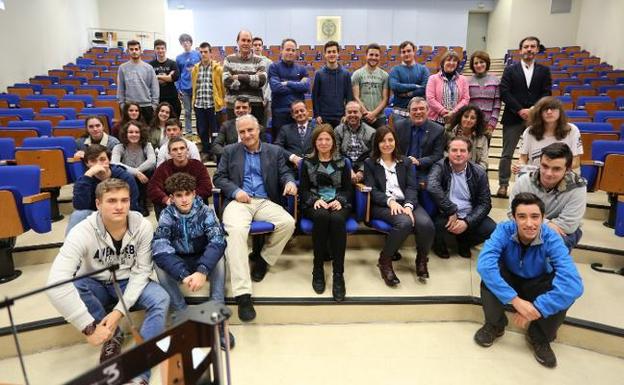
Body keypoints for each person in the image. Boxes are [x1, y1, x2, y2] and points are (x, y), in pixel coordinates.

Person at [47, 179, 169, 385]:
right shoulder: (81, 231)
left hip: (128, 281)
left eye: (124, 200)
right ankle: (112, 335)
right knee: (77, 284)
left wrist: (119, 311)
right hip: (96, 283)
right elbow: (56, 283)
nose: (119, 206)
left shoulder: (143, 227)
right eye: (112, 201)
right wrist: (88, 327)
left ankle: (140, 373)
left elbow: (141, 272)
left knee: (161, 299)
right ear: (98, 204)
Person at [475, 192, 583, 368]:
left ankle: (540, 336)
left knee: (563, 290)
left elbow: (573, 285)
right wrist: (515, 301)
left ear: (543, 218)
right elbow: (485, 265)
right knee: (490, 276)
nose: (529, 223)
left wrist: (540, 306)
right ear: (514, 218)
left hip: (537, 284)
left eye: (535, 217)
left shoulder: (552, 237)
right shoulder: (504, 229)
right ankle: (495, 324)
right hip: (510, 278)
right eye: (522, 217)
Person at [213, 114, 297, 322]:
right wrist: (234, 191)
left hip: (264, 201)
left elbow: (285, 172)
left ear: (259, 129)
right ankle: (243, 295)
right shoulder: (230, 151)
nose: (246, 135)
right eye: (242, 132)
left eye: (250, 130)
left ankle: (263, 259)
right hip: (239, 201)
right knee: (236, 232)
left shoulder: (274, 151)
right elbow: (219, 177)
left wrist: (290, 182)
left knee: (288, 223)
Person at [152, 172, 235, 347]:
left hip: (201, 258)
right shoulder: (166, 215)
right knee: (158, 263)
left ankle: (217, 315)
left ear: (194, 194)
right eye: (179, 195)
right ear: (172, 198)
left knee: (219, 258)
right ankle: (180, 314)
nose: (184, 199)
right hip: (179, 260)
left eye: (187, 194)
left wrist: (202, 270)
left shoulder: (206, 211)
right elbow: (160, 247)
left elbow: (217, 241)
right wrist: (183, 274)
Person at [364, 126, 435, 283]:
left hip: (407, 202)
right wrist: (390, 201)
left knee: (426, 224)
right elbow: (372, 190)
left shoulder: (406, 162)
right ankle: (385, 261)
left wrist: (409, 205)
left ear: (395, 141)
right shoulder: (370, 163)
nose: (387, 144)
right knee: (404, 222)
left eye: (390, 140)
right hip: (382, 205)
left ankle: (422, 259)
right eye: (382, 141)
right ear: (377, 143)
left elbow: (411, 187)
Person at [300, 125, 352, 301]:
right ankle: (318, 268)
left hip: (338, 202)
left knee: (337, 220)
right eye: (319, 139)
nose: (323, 142)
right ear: (315, 142)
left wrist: (340, 200)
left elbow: (347, 190)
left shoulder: (343, 162)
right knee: (322, 216)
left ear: (333, 142)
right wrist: (315, 200)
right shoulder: (307, 162)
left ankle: (338, 274)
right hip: (314, 203)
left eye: (327, 139)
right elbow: (304, 190)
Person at [497, 36, 552, 197]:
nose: (529, 49)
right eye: (526, 46)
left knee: (536, 153)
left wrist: (534, 110)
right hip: (513, 117)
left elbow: (546, 93)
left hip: (535, 119)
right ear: (520, 50)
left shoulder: (544, 70)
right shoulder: (510, 70)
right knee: (507, 153)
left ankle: (534, 184)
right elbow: (505, 92)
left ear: (537, 49)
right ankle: (503, 184)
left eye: (532, 46)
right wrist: (520, 110)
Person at [427, 136, 496, 259]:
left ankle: (464, 241)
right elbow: (432, 186)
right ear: (448, 153)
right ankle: (438, 245)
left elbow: (485, 203)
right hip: (446, 212)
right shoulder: (440, 166)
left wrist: (467, 222)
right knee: (436, 225)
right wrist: (451, 209)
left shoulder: (479, 172)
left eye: (463, 151)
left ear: (469, 154)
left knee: (492, 229)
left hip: (469, 212)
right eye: (454, 150)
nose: (458, 154)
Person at [509, 142, 586, 251]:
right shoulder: (523, 181)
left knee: (552, 246)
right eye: (544, 166)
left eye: (556, 169)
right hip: (528, 225)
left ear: (567, 170)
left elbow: (568, 225)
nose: (548, 173)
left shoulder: (578, 187)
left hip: (560, 231)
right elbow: (511, 213)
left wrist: (538, 226)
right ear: (539, 163)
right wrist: (547, 223)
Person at [67, 144, 140, 235]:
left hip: (120, 213)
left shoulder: (125, 177)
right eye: (93, 161)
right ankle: (70, 247)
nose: (98, 164)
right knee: (78, 215)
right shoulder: (84, 180)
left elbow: (132, 205)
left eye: (102, 159)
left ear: (109, 160)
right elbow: (80, 207)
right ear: (87, 163)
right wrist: (89, 175)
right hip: (95, 215)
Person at [513, 97, 583, 173]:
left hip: (563, 176)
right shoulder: (529, 131)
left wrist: (552, 170)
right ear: (539, 113)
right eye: (545, 109)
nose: (549, 112)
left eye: (553, 108)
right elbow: (523, 158)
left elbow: (575, 162)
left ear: (560, 112)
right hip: (536, 177)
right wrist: (519, 166)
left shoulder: (572, 130)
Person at [148, 137, 212, 218]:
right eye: (174, 149)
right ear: (169, 153)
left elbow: (206, 187)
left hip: (193, 203)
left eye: (182, 148)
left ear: (187, 150)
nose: (179, 152)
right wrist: (166, 199)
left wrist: (189, 199)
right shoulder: (163, 167)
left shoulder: (198, 166)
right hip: (171, 204)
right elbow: (153, 188)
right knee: (158, 202)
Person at [394, 97, 445, 183]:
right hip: (401, 167)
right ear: (409, 112)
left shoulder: (438, 130)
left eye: (422, 109)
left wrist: (419, 162)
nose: (418, 112)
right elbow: (394, 149)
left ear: (428, 111)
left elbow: (438, 155)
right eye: (414, 109)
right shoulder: (399, 126)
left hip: (425, 170)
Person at [111, 120, 156, 217]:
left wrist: (138, 171)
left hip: (143, 177)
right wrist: (135, 172)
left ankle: (142, 201)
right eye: (131, 132)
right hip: (126, 177)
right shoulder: (119, 147)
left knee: (151, 170)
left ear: (141, 133)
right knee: (119, 171)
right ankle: (131, 202)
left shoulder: (147, 145)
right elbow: (114, 163)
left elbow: (152, 161)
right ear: (125, 134)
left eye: (137, 132)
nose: (134, 134)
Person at [223, 30, 267, 123]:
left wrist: (238, 77)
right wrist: (252, 79)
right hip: (234, 106)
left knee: (255, 136)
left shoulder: (259, 60)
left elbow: (261, 81)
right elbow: (226, 81)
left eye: (248, 41)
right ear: (237, 41)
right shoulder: (229, 59)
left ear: (251, 43)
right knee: (234, 136)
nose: (246, 43)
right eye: (243, 40)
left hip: (255, 106)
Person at [191, 41, 225, 161]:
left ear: (211, 53)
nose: (203, 54)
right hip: (199, 105)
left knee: (215, 131)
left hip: (213, 105)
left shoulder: (218, 69)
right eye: (201, 52)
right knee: (202, 130)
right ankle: (206, 151)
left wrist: (221, 101)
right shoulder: (195, 69)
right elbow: (195, 86)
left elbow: (222, 87)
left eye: (206, 52)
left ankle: (215, 152)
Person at [268, 38, 310, 136]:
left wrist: (287, 83)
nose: (290, 52)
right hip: (280, 112)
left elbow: (306, 87)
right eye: (287, 49)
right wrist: (297, 85)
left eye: (293, 50)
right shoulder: (274, 67)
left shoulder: (302, 69)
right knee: (279, 144)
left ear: (296, 52)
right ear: (281, 50)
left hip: (298, 113)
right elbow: (276, 88)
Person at [312, 41, 353, 128]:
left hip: (341, 117)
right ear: (325, 54)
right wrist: (317, 115)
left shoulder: (345, 74)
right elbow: (315, 96)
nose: (331, 54)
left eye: (334, 52)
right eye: (329, 52)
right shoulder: (319, 74)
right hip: (323, 118)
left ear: (338, 53)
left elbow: (349, 97)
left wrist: (347, 114)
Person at [117, 40, 159, 125]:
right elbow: (121, 88)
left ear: (140, 50)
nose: (134, 51)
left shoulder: (148, 68)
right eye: (131, 49)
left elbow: (155, 88)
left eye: (136, 49)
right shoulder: (122, 68)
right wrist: (122, 105)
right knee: (130, 134)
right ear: (128, 51)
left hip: (146, 107)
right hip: (130, 107)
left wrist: (154, 106)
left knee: (147, 134)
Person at [334, 101, 376, 183]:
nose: (352, 115)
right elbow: (336, 153)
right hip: (343, 166)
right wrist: (348, 170)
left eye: (355, 112)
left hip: (364, 166)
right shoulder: (337, 131)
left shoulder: (372, 132)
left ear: (361, 114)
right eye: (349, 112)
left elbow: (373, 155)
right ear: (345, 114)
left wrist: (362, 171)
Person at [389, 41, 429, 122]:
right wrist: (414, 86)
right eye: (403, 52)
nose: (406, 54)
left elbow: (423, 89)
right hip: (399, 111)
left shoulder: (423, 70)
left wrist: (406, 94)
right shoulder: (395, 70)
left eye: (409, 51)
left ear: (414, 52)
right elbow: (395, 86)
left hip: (418, 111)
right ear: (400, 54)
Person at [425, 51, 470, 125]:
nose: (451, 63)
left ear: (457, 64)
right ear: (443, 63)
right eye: (448, 60)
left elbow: (465, 99)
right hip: (435, 121)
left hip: (456, 120)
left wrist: (453, 113)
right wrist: (444, 112)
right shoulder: (433, 78)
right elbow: (430, 99)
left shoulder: (463, 79)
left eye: (454, 61)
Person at [351, 43, 390, 128]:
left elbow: (385, 98)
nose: (374, 57)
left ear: (379, 57)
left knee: (379, 141)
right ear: (366, 55)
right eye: (371, 54)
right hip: (361, 116)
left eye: (376, 55)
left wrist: (373, 114)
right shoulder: (357, 74)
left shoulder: (385, 75)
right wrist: (366, 113)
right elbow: (355, 97)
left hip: (379, 118)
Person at [467, 51, 501, 137]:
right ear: (472, 65)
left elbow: (497, 105)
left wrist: (492, 124)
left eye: (482, 62)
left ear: (487, 63)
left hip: (487, 124)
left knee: (484, 149)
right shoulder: (467, 81)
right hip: (470, 122)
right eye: (476, 63)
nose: (479, 65)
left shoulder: (495, 81)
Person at [274, 100, 315, 170]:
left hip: (313, 168)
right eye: (296, 112)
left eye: (302, 110)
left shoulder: (317, 129)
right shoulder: (285, 129)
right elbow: (277, 147)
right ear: (293, 116)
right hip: (291, 169)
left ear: (307, 112)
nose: (300, 113)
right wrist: (292, 157)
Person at [446, 105, 489, 170]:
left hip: (473, 174)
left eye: (472, 118)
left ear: (476, 121)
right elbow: (444, 155)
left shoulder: (482, 139)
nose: (468, 120)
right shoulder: (448, 133)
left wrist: (472, 173)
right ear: (460, 117)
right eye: (466, 116)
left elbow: (484, 163)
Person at [176, 33, 201, 135]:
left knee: (199, 111)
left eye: (187, 41)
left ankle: (200, 132)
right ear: (181, 44)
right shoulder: (178, 58)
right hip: (184, 88)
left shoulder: (198, 54)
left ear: (191, 43)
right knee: (187, 112)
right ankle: (189, 132)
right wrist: (178, 89)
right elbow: (177, 75)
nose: (185, 43)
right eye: (183, 42)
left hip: (197, 88)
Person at [149, 39, 181, 118]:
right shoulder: (150, 65)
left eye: (162, 48)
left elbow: (175, 77)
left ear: (165, 49)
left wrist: (157, 76)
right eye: (158, 48)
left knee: (173, 122)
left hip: (172, 98)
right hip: (157, 98)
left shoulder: (172, 63)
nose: (160, 50)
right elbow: (149, 80)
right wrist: (168, 77)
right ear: (154, 50)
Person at [252, 36, 273, 128]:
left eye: (259, 45)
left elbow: (270, 81)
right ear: (252, 46)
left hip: (264, 99)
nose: (257, 47)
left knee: (263, 125)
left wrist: (266, 97)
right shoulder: (248, 61)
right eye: (255, 45)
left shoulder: (268, 62)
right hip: (251, 98)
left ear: (262, 47)